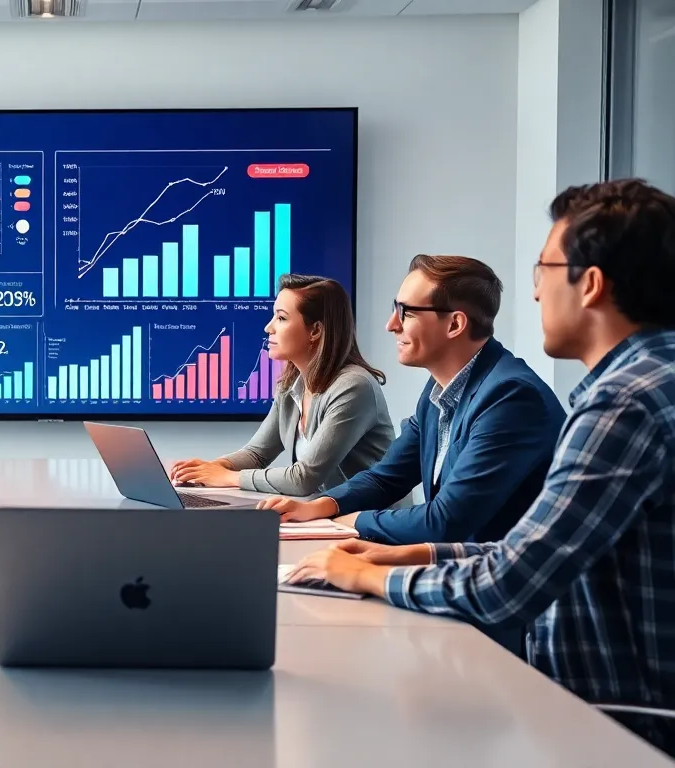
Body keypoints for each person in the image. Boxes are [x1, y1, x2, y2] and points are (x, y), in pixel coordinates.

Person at [286, 178, 675, 755]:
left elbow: (508, 584)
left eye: (543, 270)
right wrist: (400, 552)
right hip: (582, 696)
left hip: (610, 719)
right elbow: (527, 547)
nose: (537, 293)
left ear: (590, 284)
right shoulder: (645, 383)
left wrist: (366, 575)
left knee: (357, 719)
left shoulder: (623, 403)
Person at [259, 255, 566, 546]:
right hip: (456, 569)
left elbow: (445, 521)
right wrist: (320, 507)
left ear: (455, 325)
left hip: (503, 589)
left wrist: (350, 522)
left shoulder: (511, 397)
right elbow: (386, 477)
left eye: (406, 312)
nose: (392, 325)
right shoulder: (438, 390)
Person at [170, 274, 394, 495]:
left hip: (370, 523)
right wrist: (212, 468)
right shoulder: (291, 387)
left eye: (282, 318)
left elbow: (304, 478)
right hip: (325, 517)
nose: (269, 327)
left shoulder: (353, 387)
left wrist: (227, 477)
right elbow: (257, 454)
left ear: (315, 330)